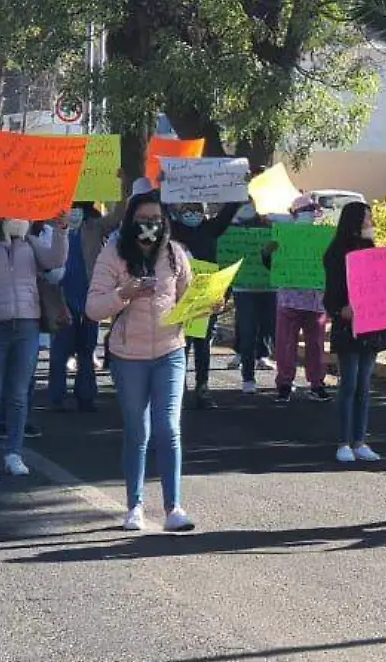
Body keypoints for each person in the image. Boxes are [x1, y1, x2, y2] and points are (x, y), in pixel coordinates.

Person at [85, 190, 196, 533]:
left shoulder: (176, 256)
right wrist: (123, 294)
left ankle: (173, 508)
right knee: (138, 430)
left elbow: (189, 303)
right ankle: (134, 506)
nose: (150, 226)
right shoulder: (113, 255)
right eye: (143, 219)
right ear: (130, 221)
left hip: (170, 352)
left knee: (169, 427)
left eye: (156, 220)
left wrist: (210, 305)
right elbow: (93, 308)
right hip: (128, 356)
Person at [0, 211, 68, 478]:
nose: (18, 216)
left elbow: (56, 260)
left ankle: (13, 452)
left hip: (27, 325)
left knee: (19, 393)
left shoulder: (30, 244)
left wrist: (61, 230)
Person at [323, 201, 386, 464]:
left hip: (372, 326)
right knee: (349, 384)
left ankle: (360, 440)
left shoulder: (372, 249)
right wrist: (340, 311)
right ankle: (343, 442)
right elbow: (331, 293)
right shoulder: (336, 252)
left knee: (364, 385)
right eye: (366, 218)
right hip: (348, 327)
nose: (370, 222)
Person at [169, 199, 242, 406]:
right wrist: (162, 187)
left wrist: (239, 188)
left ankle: (202, 387)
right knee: (180, 344)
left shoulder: (211, 228)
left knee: (202, 345)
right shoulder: (174, 230)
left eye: (197, 209)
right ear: (179, 211)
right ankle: (177, 387)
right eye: (188, 210)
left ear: (204, 211)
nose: (192, 214)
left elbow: (229, 210)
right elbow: (160, 209)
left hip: (205, 294)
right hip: (180, 294)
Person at [48, 201, 114, 414]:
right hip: (61, 298)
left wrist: (127, 184)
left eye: (77, 209)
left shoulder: (94, 227)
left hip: (89, 298)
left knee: (87, 351)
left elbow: (118, 215)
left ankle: (86, 397)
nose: (73, 213)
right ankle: (56, 399)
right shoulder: (50, 226)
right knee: (60, 353)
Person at [266, 197, 333, 403]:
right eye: (307, 209)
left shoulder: (324, 236)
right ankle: (285, 384)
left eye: (313, 209)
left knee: (315, 345)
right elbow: (272, 265)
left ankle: (317, 384)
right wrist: (268, 253)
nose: (311, 212)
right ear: (294, 213)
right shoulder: (282, 236)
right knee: (286, 344)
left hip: (315, 301)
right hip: (289, 300)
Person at [229, 203, 277, 389]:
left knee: (272, 330)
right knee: (247, 333)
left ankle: (282, 378)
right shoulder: (231, 229)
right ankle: (248, 378)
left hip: (268, 287)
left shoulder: (269, 226)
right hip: (244, 289)